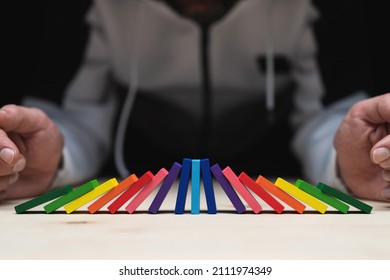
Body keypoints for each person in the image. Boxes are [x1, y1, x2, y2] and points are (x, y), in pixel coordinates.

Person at [0, 0, 389, 202]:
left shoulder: (318, 6)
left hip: (271, 172)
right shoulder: (90, 6)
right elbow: (74, 114)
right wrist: (47, 159)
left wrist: (347, 162)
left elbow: (327, 115)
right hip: (135, 171)